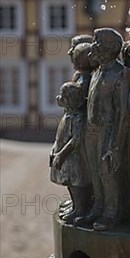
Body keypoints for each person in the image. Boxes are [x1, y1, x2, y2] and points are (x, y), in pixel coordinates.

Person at [79, 28, 130, 231]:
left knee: (108, 174)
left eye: (97, 42)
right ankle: (98, 207)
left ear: (111, 48)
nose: (93, 46)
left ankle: (112, 212)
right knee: (95, 172)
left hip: (109, 132)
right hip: (91, 131)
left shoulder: (121, 73)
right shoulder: (98, 71)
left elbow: (123, 113)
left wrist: (116, 144)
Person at [50, 83, 90, 225]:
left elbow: (76, 140)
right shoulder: (67, 115)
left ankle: (80, 209)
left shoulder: (77, 118)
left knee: (76, 184)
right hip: (66, 157)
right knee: (69, 182)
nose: (59, 98)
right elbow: (59, 137)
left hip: (74, 158)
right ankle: (74, 206)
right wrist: (54, 149)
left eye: (62, 96)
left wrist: (62, 154)